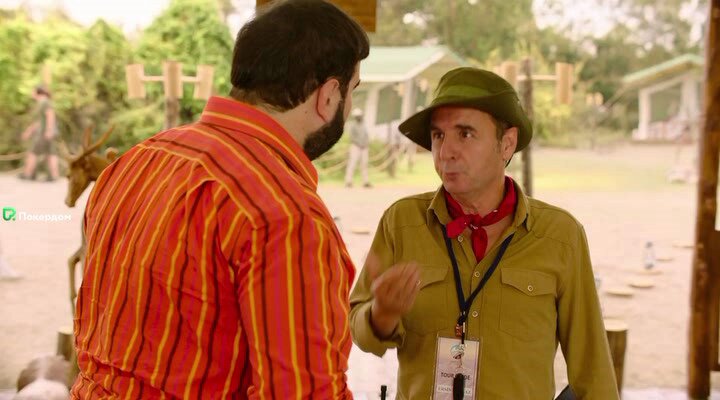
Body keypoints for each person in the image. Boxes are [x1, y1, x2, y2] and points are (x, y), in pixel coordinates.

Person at [71, 1, 369, 398]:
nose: (349, 107)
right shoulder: (285, 214)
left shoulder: (135, 162)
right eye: (352, 91)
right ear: (328, 96)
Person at [349, 67, 619, 399]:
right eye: (438, 135)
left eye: (465, 134)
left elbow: (593, 371)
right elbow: (359, 331)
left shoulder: (560, 236)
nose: (445, 151)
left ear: (507, 144)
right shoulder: (402, 223)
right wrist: (381, 314)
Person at [19, 85, 60, 182]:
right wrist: (29, 131)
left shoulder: (45, 102)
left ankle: (27, 174)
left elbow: (50, 115)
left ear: (38, 92)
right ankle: (54, 175)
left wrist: (49, 130)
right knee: (51, 153)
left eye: (33, 91)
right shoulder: (42, 103)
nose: (31, 93)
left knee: (33, 152)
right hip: (45, 132)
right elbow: (39, 121)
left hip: (43, 133)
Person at [344, 107, 371, 188]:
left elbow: (366, 135)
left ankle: (365, 182)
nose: (359, 117)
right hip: (355, 146)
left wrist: (365, 143)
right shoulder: (352, 125)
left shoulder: (364, 124)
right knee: (352, 163)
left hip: (364, 147)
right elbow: (352, 137)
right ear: (355, 117)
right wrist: (360, 144)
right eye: (358, 116)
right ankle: (348, 181)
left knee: (364, 164)